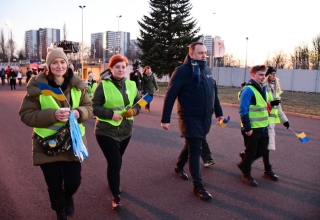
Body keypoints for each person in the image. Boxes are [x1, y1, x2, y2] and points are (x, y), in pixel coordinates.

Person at [19, 46, 93, 220]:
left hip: (72, 143)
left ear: (67, 64)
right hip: (47, 144)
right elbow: (25, 115)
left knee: (73, 182)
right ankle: (59, 211)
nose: (59, 66)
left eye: (62, 62)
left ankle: (67, 197)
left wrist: (79, 112)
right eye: (54, 63)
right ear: (48, 65)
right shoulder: (37, 87)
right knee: (53, 185)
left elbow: (89, 108)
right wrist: (52, 115)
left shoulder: (77, 86)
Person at [161, 42, 224, 200]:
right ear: (191, 54)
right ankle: (198, 187)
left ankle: (179, 166)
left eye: (205, 52)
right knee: (196, 149)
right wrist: (165, 119)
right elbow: (170, 95)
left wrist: (219, 113)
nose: (204, 55)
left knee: (191, 145)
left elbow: (213, 94)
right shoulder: (182, 71)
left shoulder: (207, 70)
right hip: (189, 117)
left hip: (204, 118)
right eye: (200, 52)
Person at [92, 54, 141, 209]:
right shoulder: (103, 85)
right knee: (115, 162)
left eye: (123, 67)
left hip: (126, 131)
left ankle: (113, 183)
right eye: (117, 67)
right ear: (111, 68)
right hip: (106, 131)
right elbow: (94, 107)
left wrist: (135, 111)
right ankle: (115, 195)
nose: (120, 70)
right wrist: (110, 114)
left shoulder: (132, 85)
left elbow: (139, 103)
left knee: (116, 162)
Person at [240, 66, 289, 181]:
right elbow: (243, 110)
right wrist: (247, 127)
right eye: (261, 75)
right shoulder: (248, 89)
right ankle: (247, 174)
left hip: (264, 125)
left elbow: (266, 106)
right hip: (253, 127)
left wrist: (284, 119)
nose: (264, 77)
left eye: (264, 74)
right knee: (252, 152)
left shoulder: (265, 89)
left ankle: (246, 162)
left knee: (262, 149)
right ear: (253, 75)